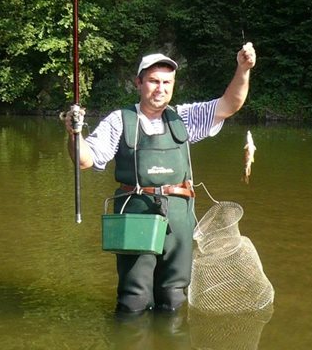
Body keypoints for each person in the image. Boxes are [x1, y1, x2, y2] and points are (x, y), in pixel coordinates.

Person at [65, 43, 256, 314]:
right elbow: (85, 160)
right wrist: (74, 133)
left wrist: (243, 69)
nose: (160, 88)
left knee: (174, 298)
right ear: (139, 83)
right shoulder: (119, 120)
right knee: (134, 299)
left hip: (179, 216)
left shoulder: (184, 118)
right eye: (153, 81)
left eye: (167, 82)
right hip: (135, 215)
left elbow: (230, 104)